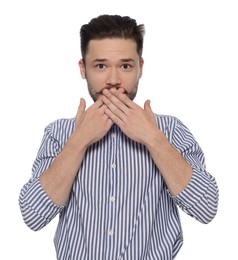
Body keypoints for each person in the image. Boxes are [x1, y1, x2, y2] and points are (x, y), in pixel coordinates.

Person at [19, 14, 219, 259]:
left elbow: (207, 208)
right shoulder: (59, 134)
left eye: (125, 66)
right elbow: (32, 216)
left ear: (140, 68)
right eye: (101, 66)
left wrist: (152, 139)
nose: (113, 81)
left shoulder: (169, 130)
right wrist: (78, 141)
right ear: (83, 69)